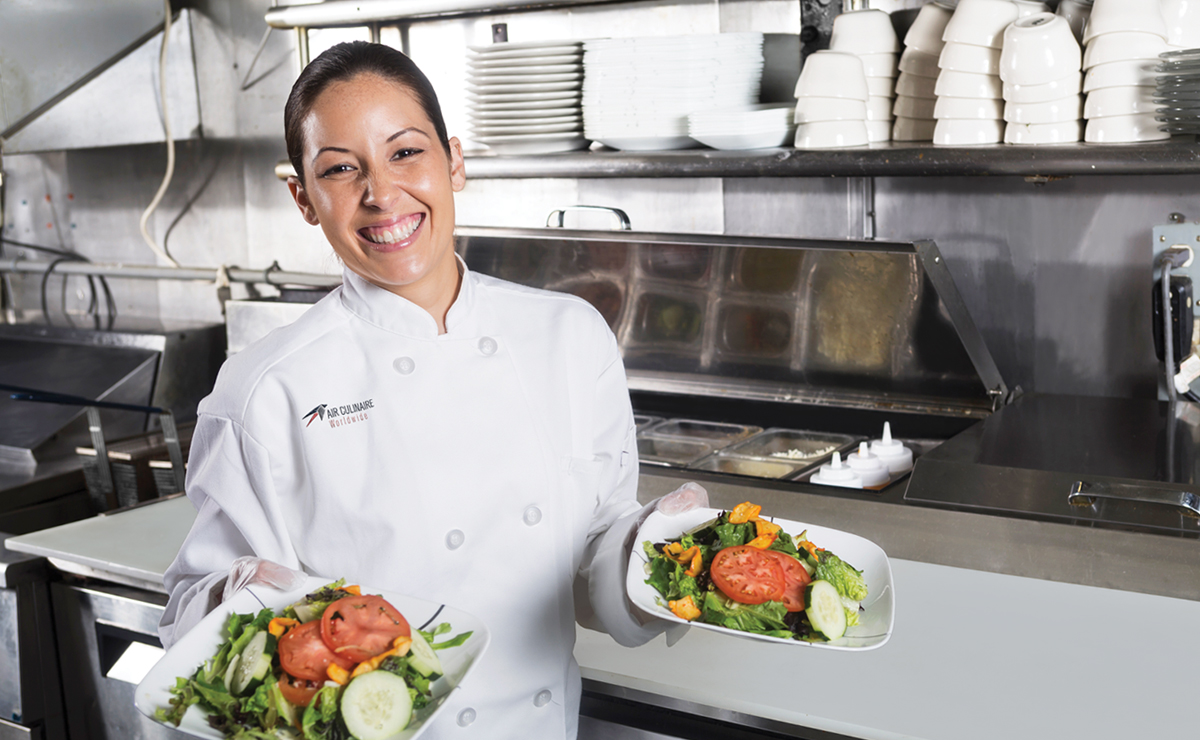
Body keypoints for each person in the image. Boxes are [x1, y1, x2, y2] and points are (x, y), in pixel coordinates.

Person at [158, 41, 704, 739]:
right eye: (339, 168)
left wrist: (648, 549)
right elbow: (190, 615)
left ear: (454, 160)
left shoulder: (569, 336)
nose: (381, 193)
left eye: (405, 153)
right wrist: (232, 599)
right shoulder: (266, 388)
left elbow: (589, 558)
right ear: (303, 197)